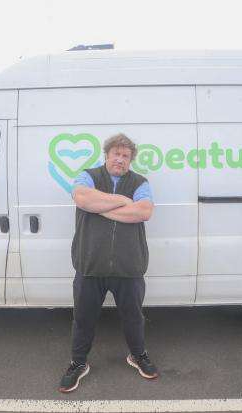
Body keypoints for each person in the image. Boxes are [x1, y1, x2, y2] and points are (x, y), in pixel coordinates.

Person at [58, 133, 158, 393]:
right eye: (116, 154)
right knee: (83, 318)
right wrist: (124, 201)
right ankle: (78, 363)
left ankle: (138, 355)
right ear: (107, 155)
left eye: (126, 156)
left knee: (134, 318)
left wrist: (99, 207)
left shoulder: (140, 182)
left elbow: (144, 211)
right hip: (90, 265)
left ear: (130, 160)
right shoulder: (88, 176)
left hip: (129, 266)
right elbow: (82, 198)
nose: (120, 160)